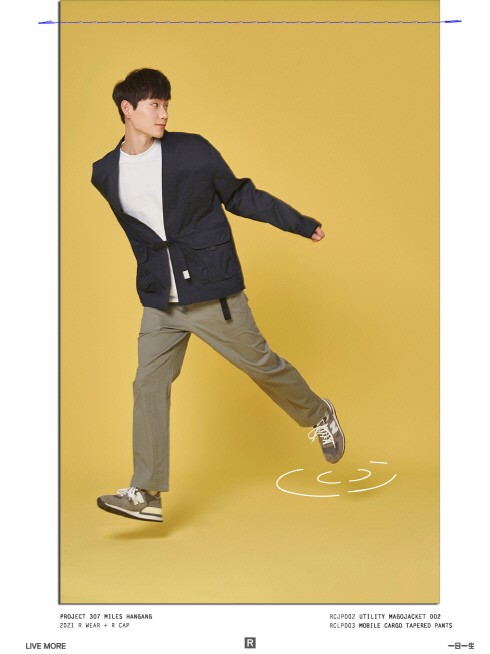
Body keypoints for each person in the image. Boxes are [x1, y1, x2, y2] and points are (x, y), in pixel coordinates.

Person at [91, 68, 345, 523]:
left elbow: (239, 195)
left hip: (211, 289)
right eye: (154, 105)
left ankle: (318, 413)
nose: (164, 113)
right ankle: (147, 491)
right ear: (127, 109)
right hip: (160, 300)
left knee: (262, 365)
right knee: (147, 385)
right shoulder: (105, 173)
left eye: (167, 104)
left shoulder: (192, 151)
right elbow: (146, 234)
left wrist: (299, 223)